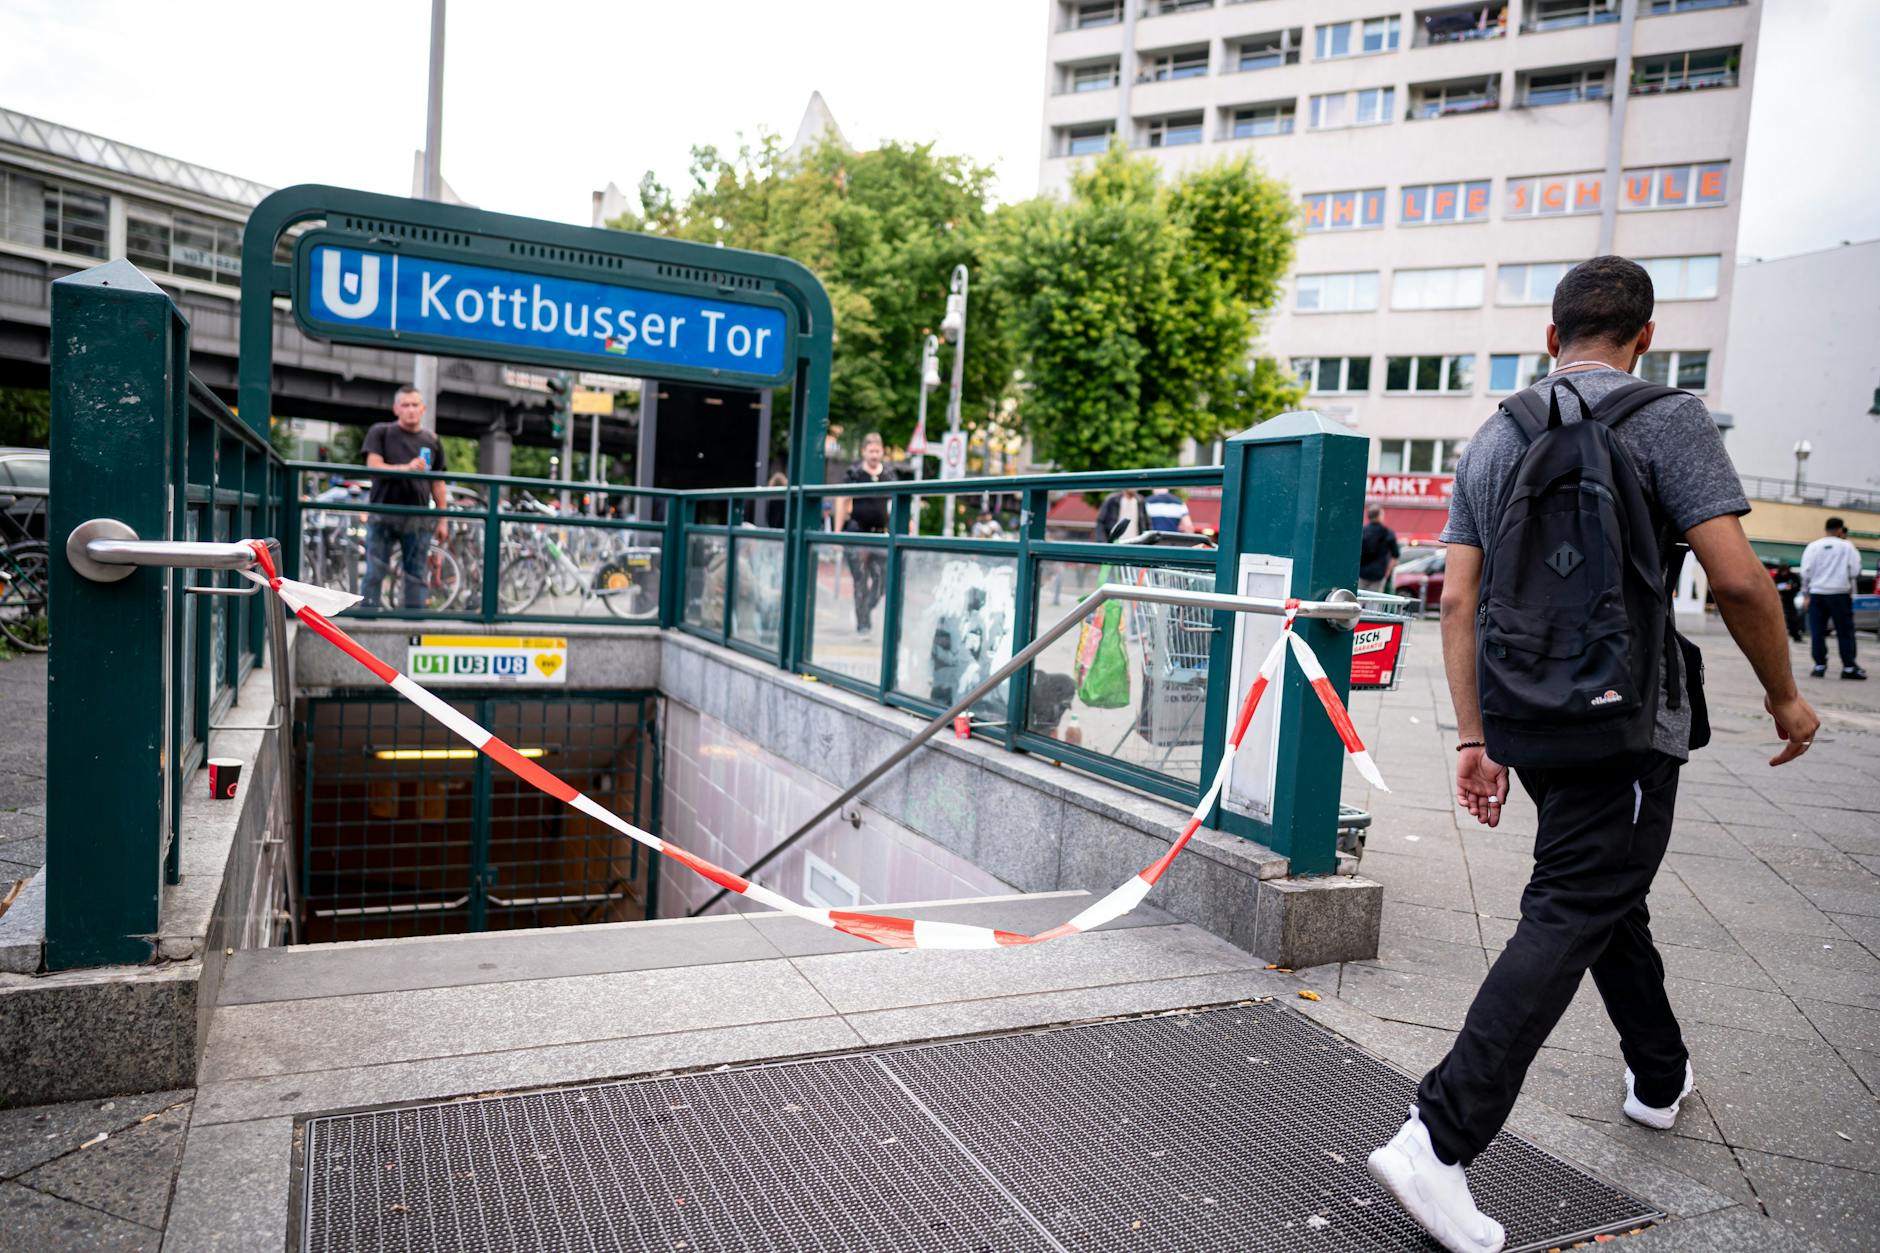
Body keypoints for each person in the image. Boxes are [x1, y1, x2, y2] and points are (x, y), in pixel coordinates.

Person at [1367, 256, 1821, 1253]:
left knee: (1605, 882)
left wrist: (1476, 737)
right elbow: (1739, 581)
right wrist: (1784, 695)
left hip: (1528, 715)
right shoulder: (1668, 418)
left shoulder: (1495, 433)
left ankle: (1657, 1074)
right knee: (1578, 895)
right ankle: (1437, 1136)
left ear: (1549, 336)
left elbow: (1456, 599)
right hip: (1624, 721)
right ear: (1644, 337)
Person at [360, 386, 449, 610]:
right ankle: (367, 619)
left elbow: (438, 482)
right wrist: (407, 468)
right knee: (374, 572)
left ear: (423, 409)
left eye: (415, 404)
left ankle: (413, 623)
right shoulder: (380, 431)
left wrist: (443, 518)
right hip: (383, 512)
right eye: (405, 405)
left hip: (418, 516)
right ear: (396, 409)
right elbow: (373, 466)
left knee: (417, 574)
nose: (411, 409)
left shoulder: (432, 440)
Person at [831, 432, 895, 635]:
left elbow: (895, 502)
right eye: (871, 451)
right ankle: (863, 625)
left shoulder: (888, 475)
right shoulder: (855, 474)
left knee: (883, 580)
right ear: (864, 452)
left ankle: (865, 610)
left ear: (882, 452)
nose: (874, 455)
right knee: (860, 580)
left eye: (877, 451)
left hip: (880, 536)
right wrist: (837, 533)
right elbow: (842, 500)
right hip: (857, 533)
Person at [1799, 516, 1866, 679]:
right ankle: (1848, 667)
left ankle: (1819, 666)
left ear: (1826, 529)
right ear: (1840, 530)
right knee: (1844, 632)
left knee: (1817, 632)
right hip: (1839, 594)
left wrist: (1806, 594)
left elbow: (1805, 572)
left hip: (1817, 594)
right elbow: (1855, 571)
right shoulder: (1847, 546)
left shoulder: (1813, 546)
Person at [1358, 504, 1400, 591]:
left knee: (1358, 596)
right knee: (1374, 598)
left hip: (1361, 573)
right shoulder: (1387, 532)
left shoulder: (1362, 531)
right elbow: (1395, 555)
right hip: (1379, 574)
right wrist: (1387, 572)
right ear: (1379, 516)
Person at [1772, 560, 1803, 642]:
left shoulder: (1793, 576)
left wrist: (1792, 588)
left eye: (1785, 571)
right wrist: (1781, 589)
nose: (1784, 573)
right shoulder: (1777, 577)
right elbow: (1773, 586)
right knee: (1779, 618)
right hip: (1779, 600)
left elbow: (1798, 586)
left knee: (1793, 618)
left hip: (1790, 600)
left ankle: (1796, 635)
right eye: (1782, 571)